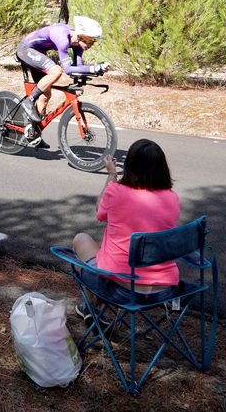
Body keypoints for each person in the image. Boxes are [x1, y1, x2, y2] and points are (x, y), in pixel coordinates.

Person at [71, 138, 180, 328]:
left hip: (120, 290)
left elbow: (99, 212)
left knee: (82, 239)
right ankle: (93, 308)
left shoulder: (116, 192)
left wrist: (111, 174)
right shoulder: (173, 199)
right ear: (163, 168)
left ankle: (91, 307)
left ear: (129, 167)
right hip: (164, 291)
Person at [15, 16, 108, 147]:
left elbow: (78, 68)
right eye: (89, 40)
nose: (90, 45)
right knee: (56, 71)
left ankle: (33, 132)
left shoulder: (79, 45)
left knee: (45, 95)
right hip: (25, 49)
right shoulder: (62, 37)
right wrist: (93, 68)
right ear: (80, 34)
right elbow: (68, 69)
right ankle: (28, 101)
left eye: (94, 42)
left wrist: (97, 70)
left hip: (39, 53)